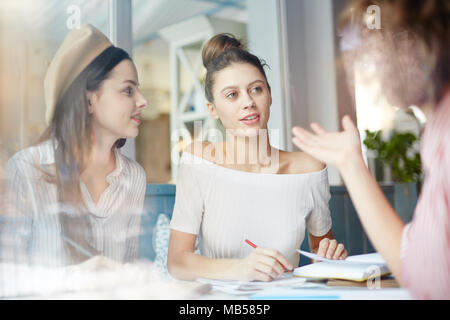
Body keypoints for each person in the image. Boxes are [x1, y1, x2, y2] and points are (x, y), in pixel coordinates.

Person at [292, 0, 449, 299]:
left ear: (416, 38)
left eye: (374, 46)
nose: (366, 63)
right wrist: (350, 163)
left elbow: (429, 278)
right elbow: (417, 263)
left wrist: (351, 164)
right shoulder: (438, 127)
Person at [167, 33, 347, 282]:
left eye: (256, 89)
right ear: (212, 109)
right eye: (232, 95)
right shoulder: (199, 159)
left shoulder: (308, 169)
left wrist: (330, 257)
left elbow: (321, 257)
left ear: (270, 95)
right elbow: (177, 262)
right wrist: (241, 269)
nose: (248, 102)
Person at [4, 24, 147, 266]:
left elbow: (129, 266)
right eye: (128, 90)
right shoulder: (27, 169)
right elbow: (8, 277)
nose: (142, 101)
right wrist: (74, 279)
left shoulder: (134, 177)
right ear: (89, 100)